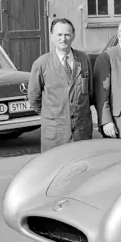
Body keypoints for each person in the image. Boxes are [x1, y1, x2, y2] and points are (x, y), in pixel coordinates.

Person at [28, 18, 94, 153]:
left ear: (73, 36)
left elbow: (90, 92)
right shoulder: (41, 63)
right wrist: (54, 115)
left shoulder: (84, 59)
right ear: (52, 37)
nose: (63, 39)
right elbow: (34, 98)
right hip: (55, 135)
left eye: (67, 35)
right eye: (59, 35)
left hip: (81, 133)